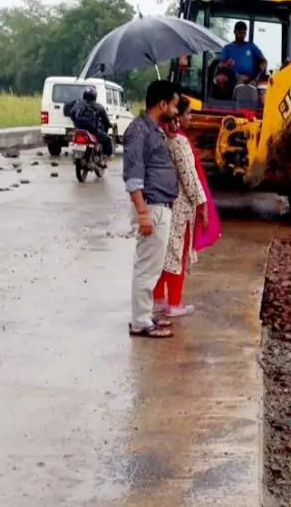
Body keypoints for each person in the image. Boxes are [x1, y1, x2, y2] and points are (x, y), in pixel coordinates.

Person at [122, 80, 180, 339]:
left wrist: (170, 133)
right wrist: (143, 212)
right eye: (175, 106)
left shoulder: (154, 130)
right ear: (162, 104)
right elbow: (133, 174)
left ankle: (144, 315)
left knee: (152, 267)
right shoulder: (138, 131)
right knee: (147, 266)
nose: (177, 112)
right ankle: (140, 321)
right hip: (152, 207)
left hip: (159, 206)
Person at [152, 96, 209, 317]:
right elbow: (190, 178)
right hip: (180, 206)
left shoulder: (160, 137)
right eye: (187, 113)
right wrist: (202, 204)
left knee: (162, 251)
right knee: (177, 253)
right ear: (177, 116)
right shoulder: (179, 142)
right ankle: (174, 303)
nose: (190, 117)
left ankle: (158, 298)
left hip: (162, 201)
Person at [214, 21, 267, 88]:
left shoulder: (250, 46)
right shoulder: (227, 48)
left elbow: (264, 60)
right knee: (219, 79)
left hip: (246, 76)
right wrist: (226, 64)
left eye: (244, 33)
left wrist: (263, 63)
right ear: (235, 32)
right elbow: (220, 64)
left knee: (242, 79)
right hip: (230, 74)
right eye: (240, 33)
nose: (242, 35)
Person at [69, 86, 114, 165]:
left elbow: (71, 113)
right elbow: (105, 120)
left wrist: (76, 123)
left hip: (79, 129)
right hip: (93, 130)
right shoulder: (99, 107)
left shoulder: (78, 104)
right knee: (108, 139)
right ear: (94, 96)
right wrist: (109, 125)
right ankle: (107, 156)